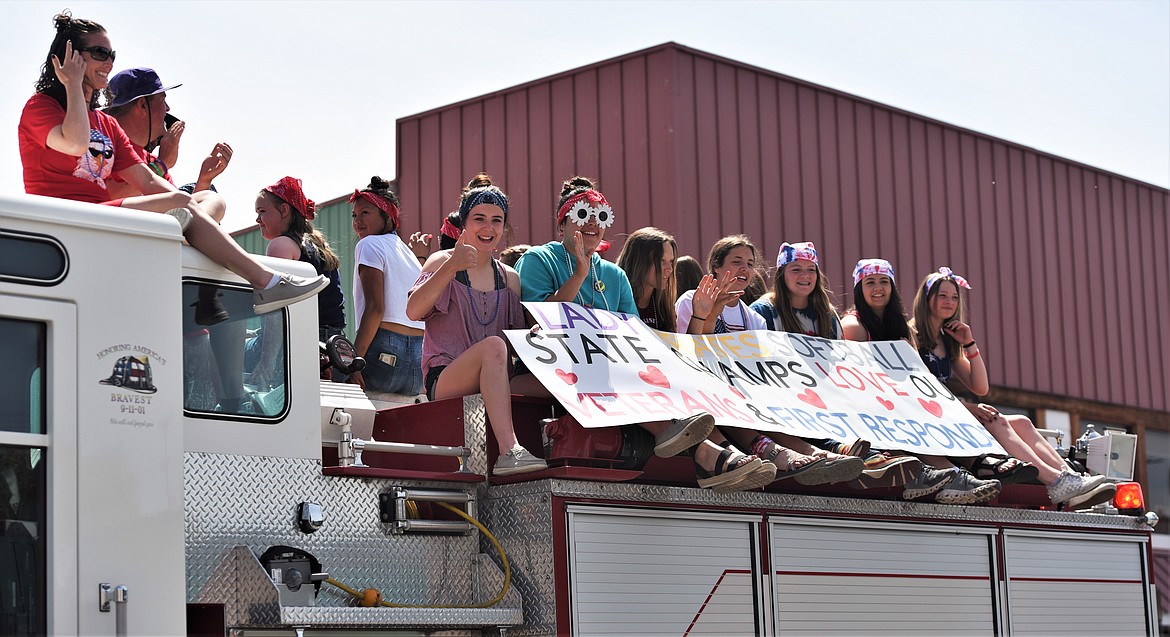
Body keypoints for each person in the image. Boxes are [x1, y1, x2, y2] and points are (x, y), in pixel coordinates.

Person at [18, 12, 325, 315]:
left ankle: (183, 230)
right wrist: (72, 86)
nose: (109, 62)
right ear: (70, 55)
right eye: (100, 53)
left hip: (106, 221)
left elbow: (149, 182)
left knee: (202, 199)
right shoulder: (40, 107)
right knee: (183, 201)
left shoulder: (106, 124)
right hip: (66, 221)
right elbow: (74, 143)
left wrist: (187, 206)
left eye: (112, 54)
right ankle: (264, 281)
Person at [517, 179, 773, 491]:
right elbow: (537, 319)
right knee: (608, 370)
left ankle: (724, 452)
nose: (592, 224)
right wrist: (579, 275)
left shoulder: (614, 275)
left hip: (607, 370)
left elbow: (632, 337)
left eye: (600, 217)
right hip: (549, 370)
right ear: (563, 223)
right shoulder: (539, 259)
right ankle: (708, 455)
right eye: (582, 215)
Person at [911, 267, 1115, 509]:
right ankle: (1055, 481)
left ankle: (1070, 480)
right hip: (927, 416)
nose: (949, 302)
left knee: (1023, 422)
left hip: (951, 412)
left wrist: (969, 344)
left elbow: (980, 386)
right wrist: (970, 408)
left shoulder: (948, 340)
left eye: (954, 297)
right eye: (942, 295)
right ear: (926, 299)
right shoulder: (911, 333)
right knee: (995, 419)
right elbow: (919, 388)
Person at [675, 235, 863, 486]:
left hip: (742, 393)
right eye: (737, 261)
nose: (745, 269)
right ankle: (776, 451)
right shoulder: (691, 299)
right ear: (716, 267)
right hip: (703, 391)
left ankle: (810, 452)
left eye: (750, 264)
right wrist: (708, 313)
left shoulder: (753, 318)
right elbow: (687, 352)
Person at [405, 175, 548, 475]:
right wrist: (451, 265)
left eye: (496, 220)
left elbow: (512, 345)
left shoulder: (510, 277)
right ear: (464, 224)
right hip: (445, 379)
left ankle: (575, 452)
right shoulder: (440, 261)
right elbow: (413, 310)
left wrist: (533, 336)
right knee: (493, 347)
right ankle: (510, 451)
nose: (488, 228)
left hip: (495, 376)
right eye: (479, 218)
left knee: (558, 380)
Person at [842, 258, 1001, 503]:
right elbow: (857, 374)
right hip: (871, 407)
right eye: (870, 282)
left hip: (905, 404)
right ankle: (954, 475)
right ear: (858, 288)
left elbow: (920, 377)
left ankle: (960, 473)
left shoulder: (903, 329)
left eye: (884, 282)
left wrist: (968, 344)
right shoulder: (853, 325)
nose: (877, 288)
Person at [102, 67, 232, 205]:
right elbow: (103, 197)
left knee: (211, 199)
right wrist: (162, 164)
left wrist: (204, 181)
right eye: (162, 100)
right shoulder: (100, 147)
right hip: (106, 225)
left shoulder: (150, 160)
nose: (167, 108)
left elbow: (183, 210)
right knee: (212, 200)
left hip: (143, 225)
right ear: (143, 105)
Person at [348, 176, 426, 395]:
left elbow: (375, 308)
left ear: (388, 216)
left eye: (365, 213)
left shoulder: (368, 244)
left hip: (384, 355)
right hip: (417, 368)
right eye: (354, 215)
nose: (357, 221)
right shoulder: (408, 253)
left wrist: (355, 362)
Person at [254, 177, 346, 340]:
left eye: (262, 211)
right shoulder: (319, 246)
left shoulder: (281, 245)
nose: (257, 219)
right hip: (334, 342)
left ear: (284, 210)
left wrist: (265, 359)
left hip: (305, 338)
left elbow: (276, 312)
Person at [615, 227, 677, 331]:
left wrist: (698, 315)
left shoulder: (663, 305)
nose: (669, 269)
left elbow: (674, 345)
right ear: (639, 262)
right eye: (661, 261)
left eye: (671, 261)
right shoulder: (613, 298)